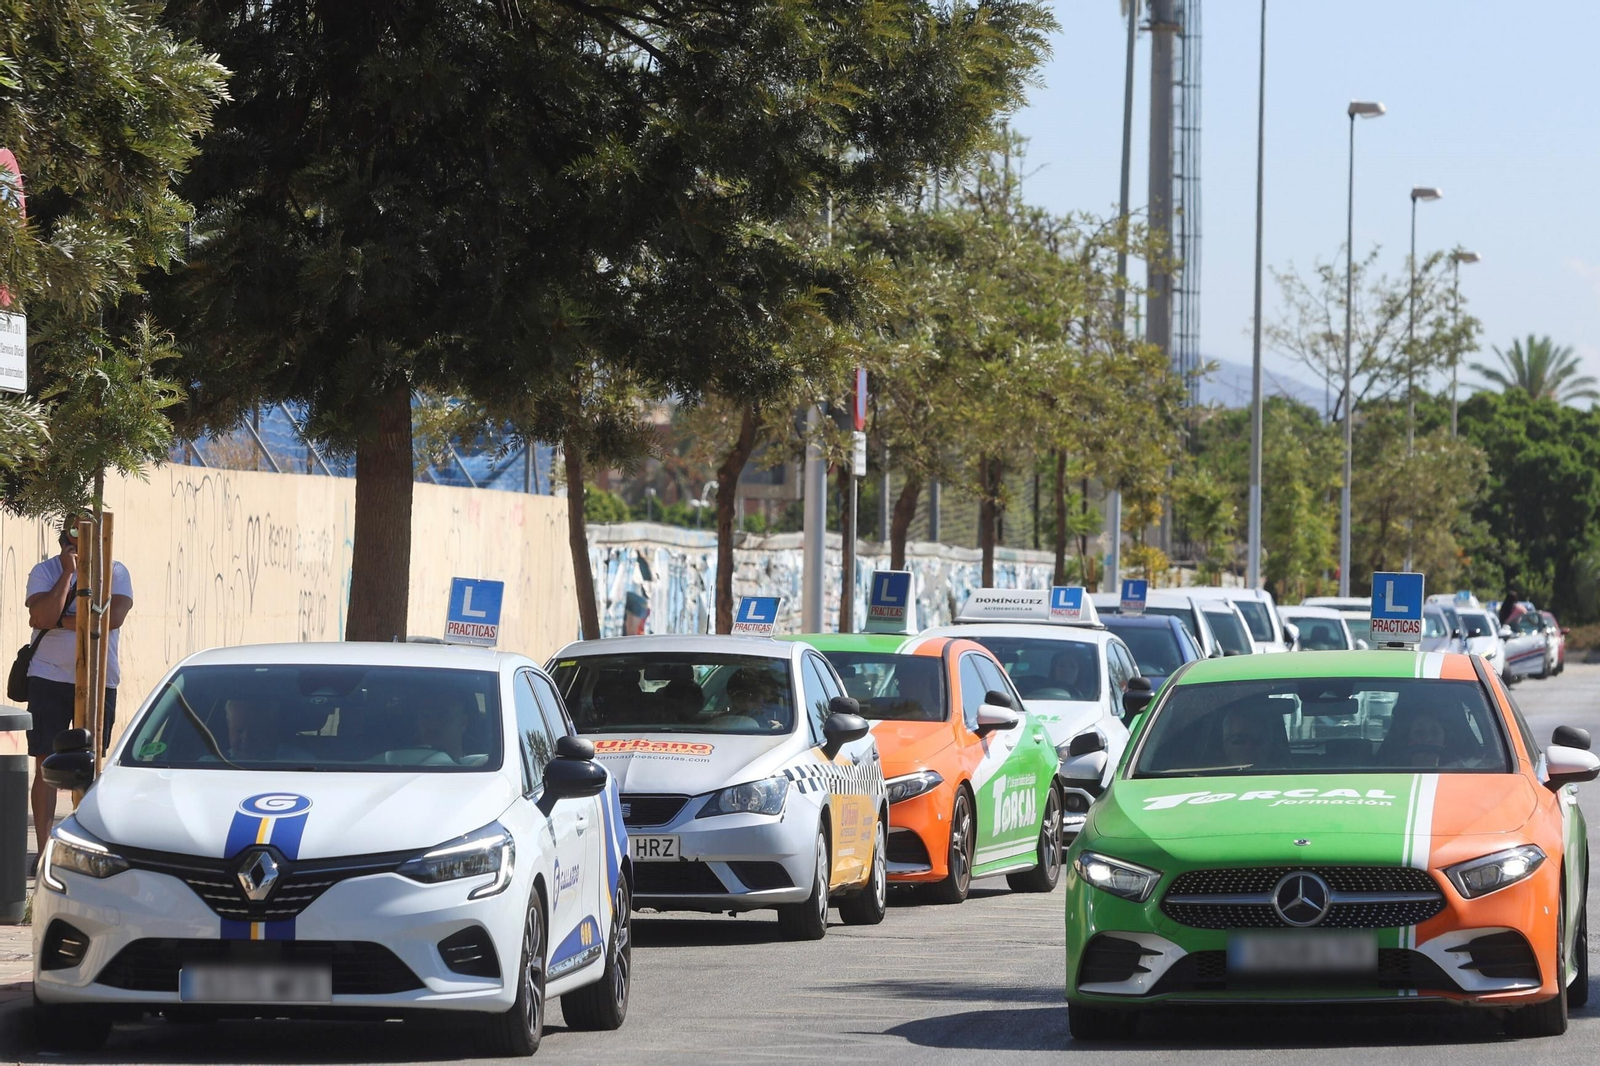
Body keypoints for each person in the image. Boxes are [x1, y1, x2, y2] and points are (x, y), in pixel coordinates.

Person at [24, 517, 132, 869]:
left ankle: (83, 850)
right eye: (74, 532)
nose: (80, 539)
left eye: (87, 534)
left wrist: (60, 621)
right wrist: (68, 574)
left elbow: (111, 618)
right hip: (48, 677)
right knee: (45, 764)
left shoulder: (115, 572)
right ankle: (43, 852)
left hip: (99, 678)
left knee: (89, 766)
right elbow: (42, 614)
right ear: (63, 536)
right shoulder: (45, 571)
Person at [224, 699, 312, 762]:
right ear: (228, 730)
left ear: (270, 730)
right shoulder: (213, 765)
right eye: (239, 731)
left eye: (255, 731)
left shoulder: (301, 762)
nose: (246, 738)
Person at [416, 694, 472, 761]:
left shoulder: (481, 764)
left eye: (442, 717)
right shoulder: (403, 762)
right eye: (425, 716)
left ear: (463, 723)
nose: (433, 724)